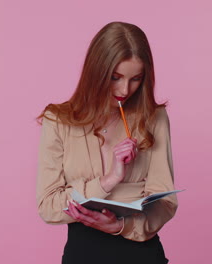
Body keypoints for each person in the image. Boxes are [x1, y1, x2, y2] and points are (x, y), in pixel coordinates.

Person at [36, 21, 179, 264]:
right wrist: (109, 180)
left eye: (136, 78)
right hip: (83, 254)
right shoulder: (58, 120)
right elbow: (49, 206)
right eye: (115, 77)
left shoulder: (153, 118)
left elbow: (165, 203)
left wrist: (120, 225)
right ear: (96, 71)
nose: (125, 89)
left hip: (142, 255)